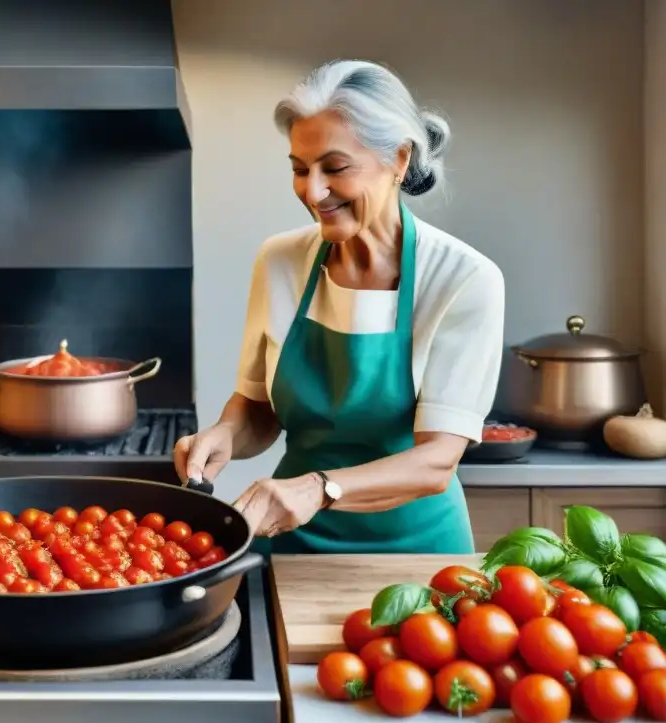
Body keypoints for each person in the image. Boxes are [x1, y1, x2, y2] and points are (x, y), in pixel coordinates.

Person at [174, 60, 505, 555]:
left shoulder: (463, 278)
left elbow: (437, 461)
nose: (312, 191)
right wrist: (224, 435)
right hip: (289, 539)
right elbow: (258, 412)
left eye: (335, 167)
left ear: (398, 159)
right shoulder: (280, 261)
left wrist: (318, 489)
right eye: (300, 169)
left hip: (418, 554)